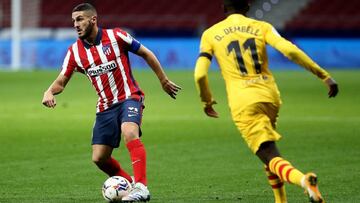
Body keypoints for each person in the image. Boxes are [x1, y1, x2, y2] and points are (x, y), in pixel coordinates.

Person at [194, 0, 338, 202]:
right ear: (247, 7)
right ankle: (280, 200)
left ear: (224, 8)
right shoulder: (262, 27)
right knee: (268, 151)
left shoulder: (211, 33)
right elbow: (291, 51)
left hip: (244, 101)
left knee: (269, 155)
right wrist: (324, 76)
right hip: (270, 96)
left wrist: (206, 100)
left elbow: (200, 74)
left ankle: (304, 181)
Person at [42, 3, 181, 202]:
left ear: (93, 20)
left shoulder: (116, 36)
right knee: (99, 158)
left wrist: (163, 80)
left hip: (129, 97)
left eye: (80, 19)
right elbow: (61, 81)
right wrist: (49, 91)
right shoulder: (74, 52)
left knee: (129, 131)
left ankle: (142, 187)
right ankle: (129, 183)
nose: (76, 24)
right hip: (105, 106)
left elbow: (146, 53)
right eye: (73, 20)